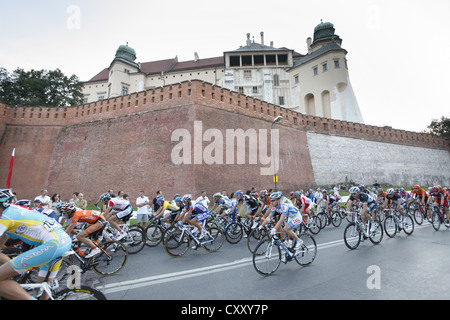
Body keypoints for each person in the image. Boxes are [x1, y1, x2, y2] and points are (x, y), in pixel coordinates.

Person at [0, 189, 72, 300]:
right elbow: (2, 241)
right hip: (62, 240)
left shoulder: (6, 217)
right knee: (44, 285)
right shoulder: (15, 210)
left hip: (52, 244)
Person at [260, 191, 303, 261]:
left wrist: (274, 229)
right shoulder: (274, 207)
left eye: (273, 201)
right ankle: (289, 253)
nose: (272, 202)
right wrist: (261, 226)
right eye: (271, 201)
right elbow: (268, 218)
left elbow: (281, 220)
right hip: (291, 217)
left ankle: (299, 241)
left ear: (278, 200)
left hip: (297, 216)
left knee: (286, 228)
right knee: (287, 236)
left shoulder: (284, 206)